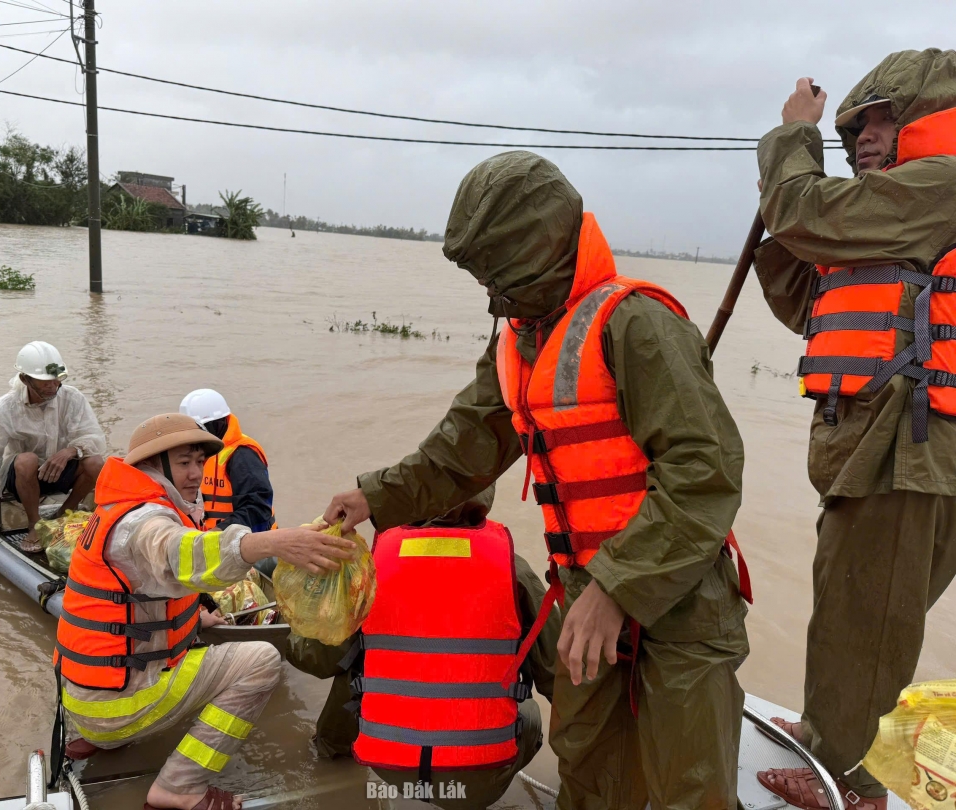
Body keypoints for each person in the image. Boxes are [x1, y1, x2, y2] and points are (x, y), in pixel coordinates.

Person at [322, 151, 751, 810]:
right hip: (585, 588)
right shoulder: (516, 347)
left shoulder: (637, 325)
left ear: (536, 249)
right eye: (480, 273)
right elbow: (455, 456)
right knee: (585, 768)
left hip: (681, 597)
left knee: (689, 787)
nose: (489, 292)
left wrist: (618, 585)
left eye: (496, 270)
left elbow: (707, 470)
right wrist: (371, 496)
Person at [752, 49, 956, 810]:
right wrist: (790, 212)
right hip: (875, 442)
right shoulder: (895, 215)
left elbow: (803, 212)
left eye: (882, 118)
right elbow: (810, 297)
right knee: (853, 599)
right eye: (853, 127)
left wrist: (792, 142)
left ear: (926, 119)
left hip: (909, 446)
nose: (864, 136)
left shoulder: (943, 183)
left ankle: (845, 776)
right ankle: (829, 734)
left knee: (867, 612)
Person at [54, 413, 355, 810]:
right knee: (262, 660)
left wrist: (193, 618)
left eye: (199, 461)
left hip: (81, 702)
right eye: (183, 463)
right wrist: (272, 543)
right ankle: (179, 787)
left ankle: (107, 737)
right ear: (150, 467)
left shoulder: (118, 509)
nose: (196, 473)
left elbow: (138, 601)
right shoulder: (145, 523)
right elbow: (187, 553)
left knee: (194, 638)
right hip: (115, 707)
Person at [286, 486, 561, 810]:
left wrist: (293, 627)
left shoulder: (375, 562)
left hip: (389, 767)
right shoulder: (510, 565)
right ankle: (466, 795)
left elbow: (318, 659)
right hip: (476, 780)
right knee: (527, 708)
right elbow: (561, 679)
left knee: (358, 661)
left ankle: (332, 757)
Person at [0, 341, 105, 552]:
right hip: (22, 479)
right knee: (26, 459)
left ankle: (63, 513)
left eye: (56, 380)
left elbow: (93, 437)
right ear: (25, 379)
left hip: (59, 473)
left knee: (96, 462)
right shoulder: (5, 407)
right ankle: (35, 524)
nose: (53, 387)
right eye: (45, 382)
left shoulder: (73, 398)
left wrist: (69, 451)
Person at [180, 389, 277, 533]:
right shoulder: (207, 451)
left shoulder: (243, 455)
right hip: (220, 540)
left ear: (218, 423)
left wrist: (219, 531)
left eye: (200, 429)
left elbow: (257, 508)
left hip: (253, 544)